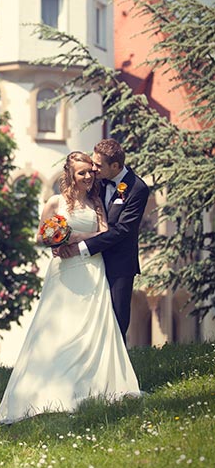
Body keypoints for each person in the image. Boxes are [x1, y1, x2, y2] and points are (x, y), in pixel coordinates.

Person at [0, 151, 140, 425]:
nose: (88, 176)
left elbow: (106, 232)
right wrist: (59, 239)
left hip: (92, 269)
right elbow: (41, 234)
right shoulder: (55, 202)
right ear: (70, 175)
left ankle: (92, 384)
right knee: (58, 328)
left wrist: (76, 237)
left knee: (92, 327)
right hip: (63, 272)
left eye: (90, 171)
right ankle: (48, 388)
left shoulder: (97, 202)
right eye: (82, 172)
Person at [57, 139, 150, 342]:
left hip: (119, 266)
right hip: (91, 264)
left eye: (98, 165)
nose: (93, 169)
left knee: (116, 322)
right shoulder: (96, 181)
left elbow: (122, 230)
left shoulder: (137, 189)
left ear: (115, 166)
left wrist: (81, 245)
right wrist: (59, 239)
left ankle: (117, 372)